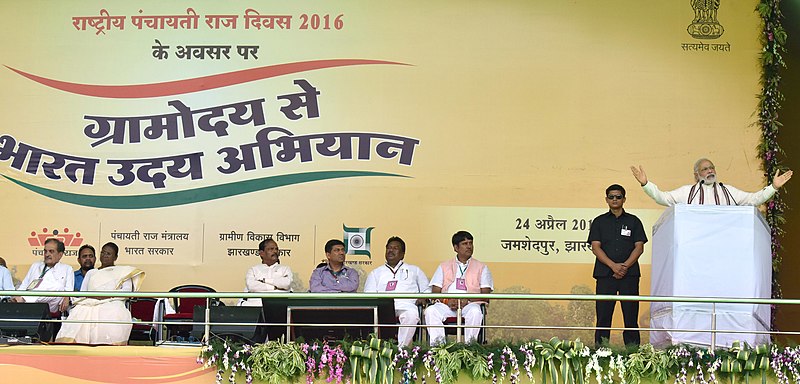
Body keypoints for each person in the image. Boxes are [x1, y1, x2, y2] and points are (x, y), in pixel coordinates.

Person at [587, 184, 647, 346]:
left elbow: (639, 247)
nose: (615, 199)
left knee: (630, 317)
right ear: (606, 199)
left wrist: (625, 266)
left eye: (618, 197)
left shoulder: (634, 221)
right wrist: (613, 266)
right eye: (611, 197)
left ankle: (633, 353)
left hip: (630, 275)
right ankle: (600, 353)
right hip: (606, 275)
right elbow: (595, 247)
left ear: (624, 199)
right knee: (603, 317)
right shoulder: (599, 222)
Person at [55, 241, 145, 345]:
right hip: (90, 302)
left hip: (113, 302)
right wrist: (95, 297)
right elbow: (84, 293)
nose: (105, 256)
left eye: (108, 254)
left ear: (115, 257)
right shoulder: (92, 273)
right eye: (103, 253)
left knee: (113, 311)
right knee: (79, 311)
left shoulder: (123, 272)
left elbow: (126, 292)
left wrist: (105, 297)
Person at [424, 231, 493, 345]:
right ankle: (439, 349)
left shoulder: (482, 267)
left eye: (470, 243)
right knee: (431, 311)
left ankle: (468, 349)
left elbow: (485, 294)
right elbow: (435, 292)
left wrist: (467, 300)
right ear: (456, 248)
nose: (469, 246)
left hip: (470, 304)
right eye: (465, 244)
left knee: (476, 312)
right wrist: (447, 301)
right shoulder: (444, 266)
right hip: (447, 305)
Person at [631, 159, 793, 206]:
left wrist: (773, 187)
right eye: (705, 169)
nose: (710, 171)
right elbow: (662, 198)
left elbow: (753, 200)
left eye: (712, 168)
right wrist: (646, 184)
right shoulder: (687, 192)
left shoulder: (727, 191)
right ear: (696, 175)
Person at [363, 236, 430, 347]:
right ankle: (383, 348)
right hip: (383, 307)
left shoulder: (414, 270)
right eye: (389, 248)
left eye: (395, 248)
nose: (391, 250)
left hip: (407, 305)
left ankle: (400, 350)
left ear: (403, 254)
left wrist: (423, 297)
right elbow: (368, 295)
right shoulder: (376, 272)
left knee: (412, 316)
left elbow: (427, 290)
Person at [12, 238, 73, 313]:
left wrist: (67, 298)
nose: (47, 254)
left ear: (60, 255)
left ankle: (24, 299)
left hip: (52, 303)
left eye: (51, 251)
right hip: (35, 301)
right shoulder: (35, 265)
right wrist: (17, 295)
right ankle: (23, 299)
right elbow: (24, 285)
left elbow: (69, 290)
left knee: (58, 287)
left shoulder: (67, 269)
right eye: (45, 251)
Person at [240, 238, 293, 306]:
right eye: (271, 249)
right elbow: (252, 286)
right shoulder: (253, 270)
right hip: (256, 307)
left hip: (279, 307)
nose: (275, 251)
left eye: (276, 249)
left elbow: (286, 284)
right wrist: (274, 287)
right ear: (261, 253)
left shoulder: (285, 269)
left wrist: (265, 281)